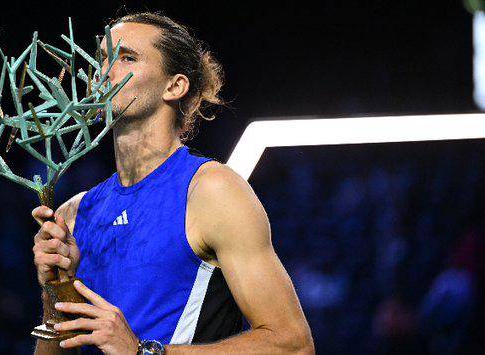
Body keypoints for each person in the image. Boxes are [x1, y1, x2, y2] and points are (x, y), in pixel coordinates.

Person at [32, 12, 313, 354]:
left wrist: (143, 352)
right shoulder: (74, 212)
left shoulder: (212, 191)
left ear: (174, 86)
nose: (105, 71)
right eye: (103, 58)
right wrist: (54, 292)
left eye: (127, 58)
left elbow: (292, 344)